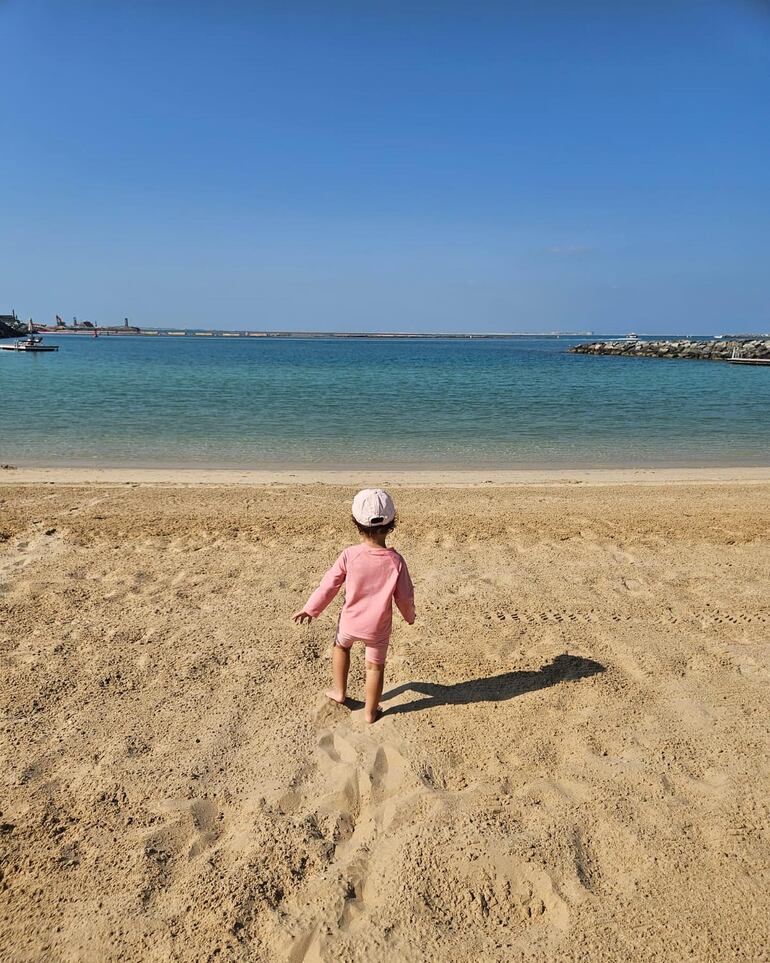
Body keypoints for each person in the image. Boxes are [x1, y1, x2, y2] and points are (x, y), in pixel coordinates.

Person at [292, 489, 415, 723]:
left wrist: (311, 608)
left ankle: (339, 692)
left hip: (349, 622)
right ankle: (370, 712)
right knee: (374, 668)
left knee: (341, 647)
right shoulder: (396, 561)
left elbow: (329, 585)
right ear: (392, 522)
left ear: (356, 522)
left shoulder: (349, 555)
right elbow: (405, 597)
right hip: (377, 628)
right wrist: (409, 616)